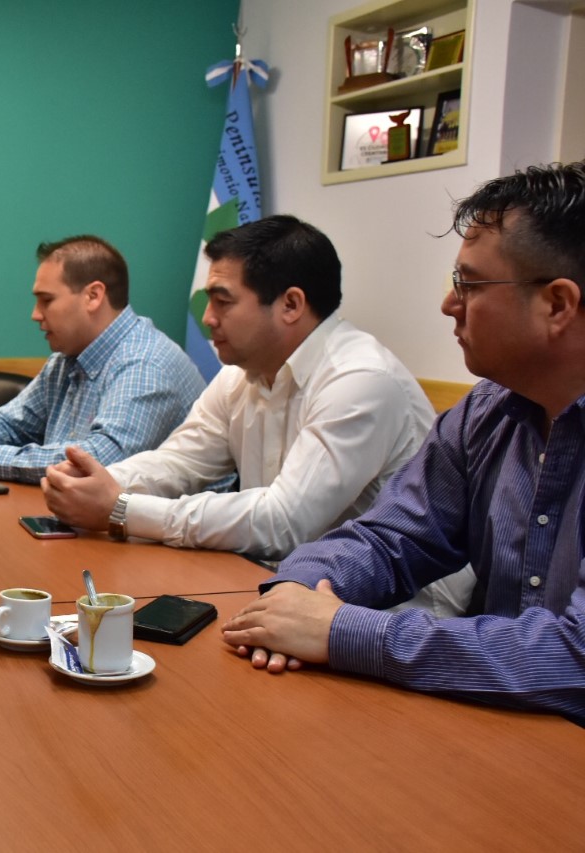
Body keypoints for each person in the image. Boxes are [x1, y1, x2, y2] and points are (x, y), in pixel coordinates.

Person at [220, 162, 585, 722]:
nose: (449, 304)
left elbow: (573, 662)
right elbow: (389, 539)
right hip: (496, 732)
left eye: (469, 284)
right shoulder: (484, 414)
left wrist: (344, 631)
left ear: (557, 304)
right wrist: (295, 595)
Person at [41, 216, 470, 613]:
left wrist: (120, 508)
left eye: (222, 301)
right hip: (282, 585)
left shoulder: (361, 379)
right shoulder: (241, 374)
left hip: (393, 613)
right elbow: (179, 462)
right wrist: (98, 481)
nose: (207, 318)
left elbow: (284, 522)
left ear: (291, 305)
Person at [0, 235, 205, 484]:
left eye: (46, 301)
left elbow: (99, 463)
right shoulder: (68, 357)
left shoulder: (145, 364)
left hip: (179, 550)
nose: (35, 315)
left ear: (93, 296)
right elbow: (13, 422)